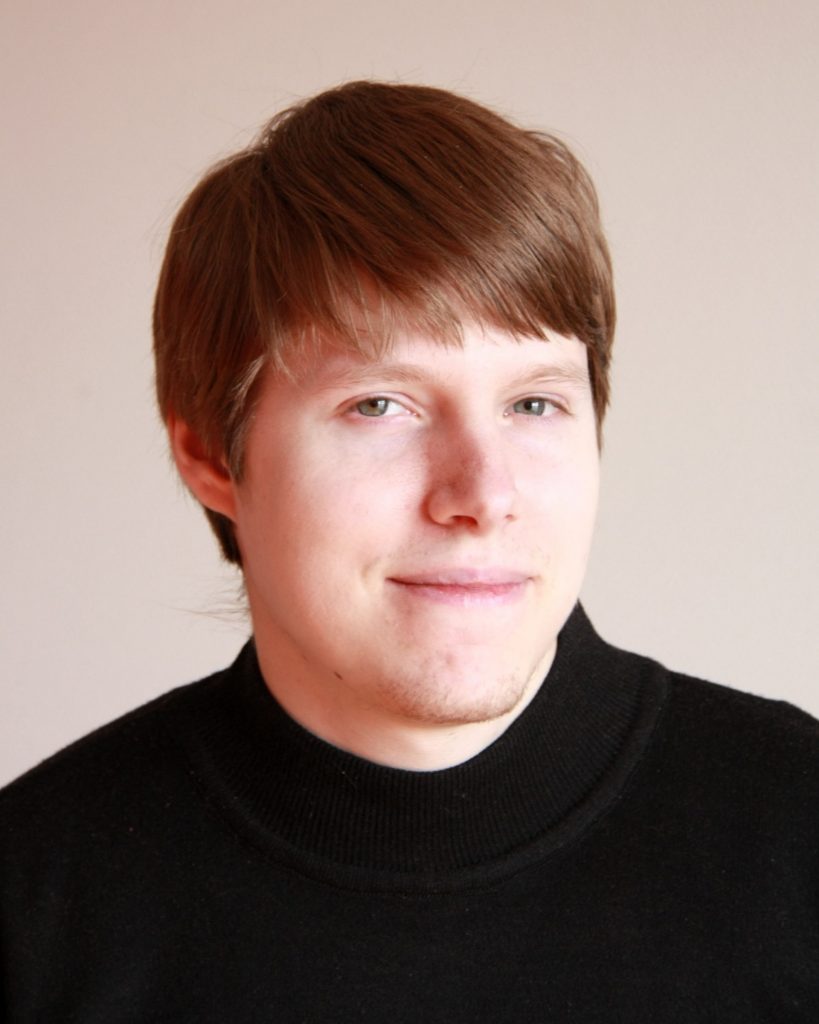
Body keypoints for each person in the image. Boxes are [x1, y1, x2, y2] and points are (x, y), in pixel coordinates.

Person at [1, 81, 817, 1021]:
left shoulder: (797, 832)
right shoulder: (36, 907)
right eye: (379, 405)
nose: (482, 494)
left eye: (533, 403)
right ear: (209, 456)